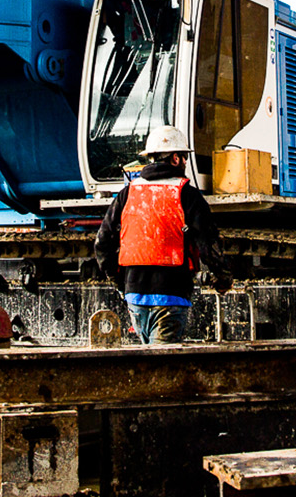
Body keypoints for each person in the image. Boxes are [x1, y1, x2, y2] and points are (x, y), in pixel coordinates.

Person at [94, 126, 230, 344]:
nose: (186, 163)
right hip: (171, 295)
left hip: (134, 297)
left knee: (149, 356)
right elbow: (208, 244)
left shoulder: (128, 193)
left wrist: (120, 282)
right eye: (184, 158)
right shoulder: (187, 194)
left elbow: (102, 243)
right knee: (160, 364)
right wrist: (223, 279)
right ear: (175, 158)